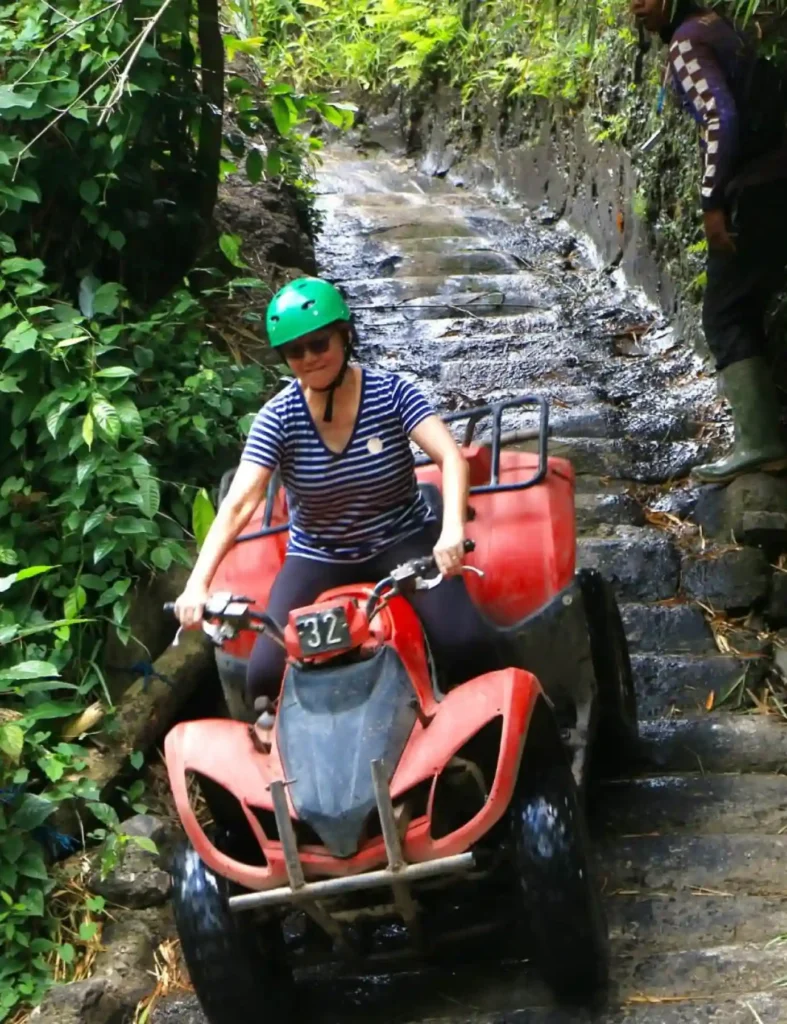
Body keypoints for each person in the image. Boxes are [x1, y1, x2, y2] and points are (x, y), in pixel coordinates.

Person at [173, 276, 502, 708]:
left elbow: (451, 458)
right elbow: (239, 503)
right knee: (264, 676)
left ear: (345, 337)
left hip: (401, 538)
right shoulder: (279, 416)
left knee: (467, 644)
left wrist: (451, 530)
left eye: (319, 343)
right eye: (296, 351)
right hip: (318, 553)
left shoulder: (392, 393)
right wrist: (197, 585)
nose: (310, 358)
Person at [632, 0, 787, 483]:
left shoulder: (687, 42)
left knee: (725, 311)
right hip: (778, 173)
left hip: (757, 189)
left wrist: (710, 202)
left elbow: (721, 118)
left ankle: (760, 443)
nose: (635, 5)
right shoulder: (717, 26)